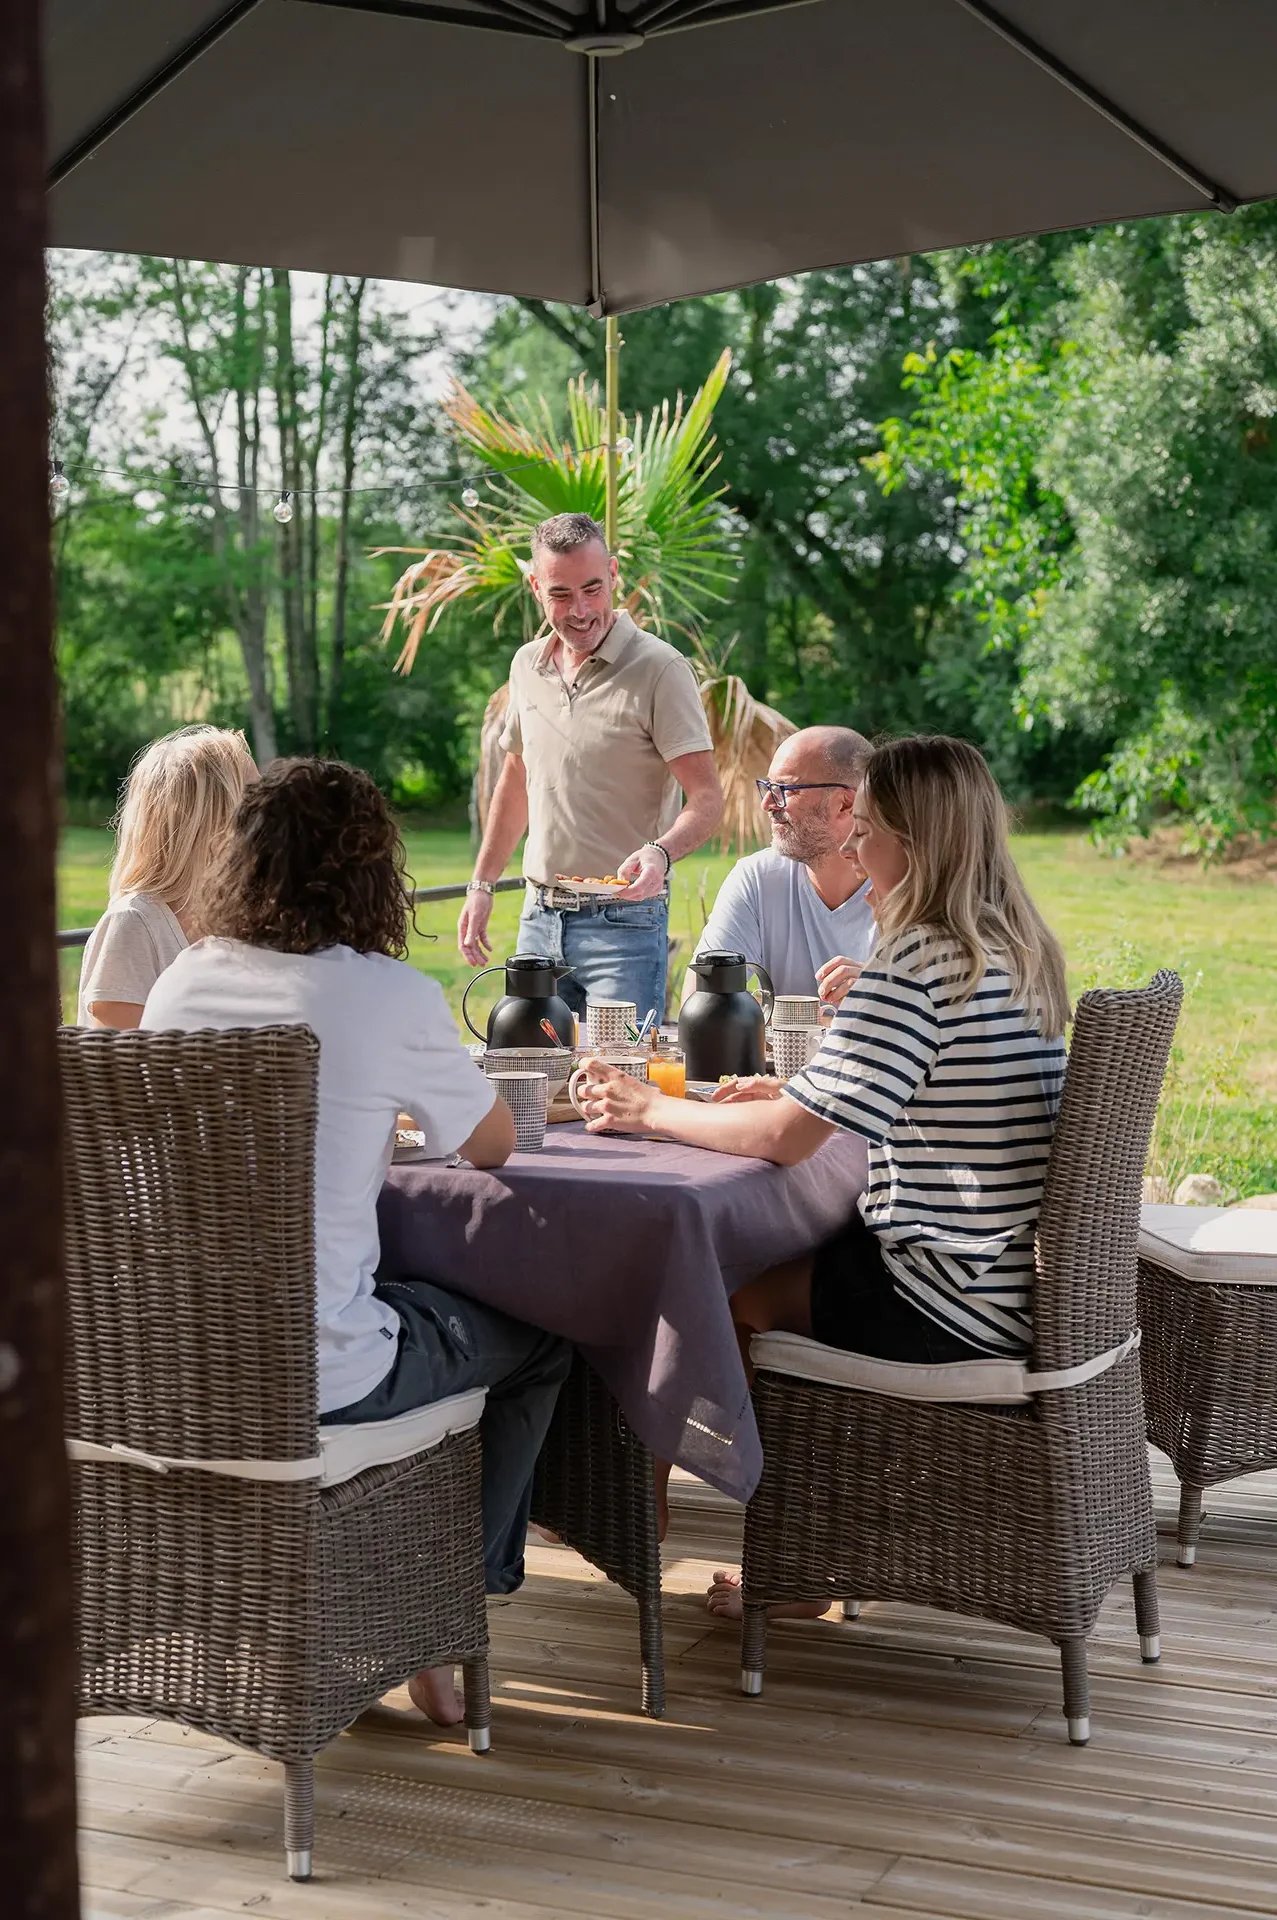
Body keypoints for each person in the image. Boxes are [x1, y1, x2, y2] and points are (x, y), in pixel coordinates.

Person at [576, 736, 1069, 1615]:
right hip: (1010, 1280)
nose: (853, 849)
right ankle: (751, 1533)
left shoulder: (915, 963)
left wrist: (646, 1111)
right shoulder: (1010, 950)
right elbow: (891, 1091)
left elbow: (788, 1141)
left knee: (716, 1293)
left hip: (946, 1295)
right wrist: (798, 1089)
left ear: (913, 844)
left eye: (867, 832)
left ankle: (759, 1551)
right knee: (749, 1264)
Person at [142, 758, 571, 1725]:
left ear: (241, 863)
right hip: (323, 1374)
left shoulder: (182, 981)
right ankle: (444, 1616)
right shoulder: (386, 996)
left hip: (174, 1371)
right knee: (546, 1334)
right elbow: (494, 1146)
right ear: (372, 872)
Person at [458, 512, 724, 1024]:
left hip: (625, 923)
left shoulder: (661, 669)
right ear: (535, 587)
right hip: (538, 918)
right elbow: (518, 780)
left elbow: (708, 798)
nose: (580, 610)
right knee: (534, 1082)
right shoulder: (525, 665)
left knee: (618, 1090)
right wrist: (482, 884)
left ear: (614, 574)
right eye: (560, 594)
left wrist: (661, 854)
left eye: (592, 589)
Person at [77, 724, 257, 1027]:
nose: (267, 813)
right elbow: (123, 1060)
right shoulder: (134, 924)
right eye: (253, 799)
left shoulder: (238, 918)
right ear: (214, 821)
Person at [692, 725, 876, 1008]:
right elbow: (703, 999)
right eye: (767, 788)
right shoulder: (758, 878)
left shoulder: (908, 886)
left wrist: (884, 995)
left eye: (785, 790)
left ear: (844, 804)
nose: (767, 803)